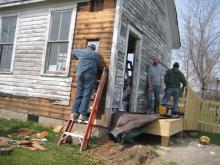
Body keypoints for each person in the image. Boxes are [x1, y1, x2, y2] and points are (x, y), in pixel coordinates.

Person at [71, 44, 100, 121]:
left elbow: (72, 50)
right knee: (86, 94)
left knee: (79, 93)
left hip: (80, 73)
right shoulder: (96, 54)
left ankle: (74, 113)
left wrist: (76, 57)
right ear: (94, 49)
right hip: (90, 74)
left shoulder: (81, 51)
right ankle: (82, 114)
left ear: (87, 47)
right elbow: (99, 64)